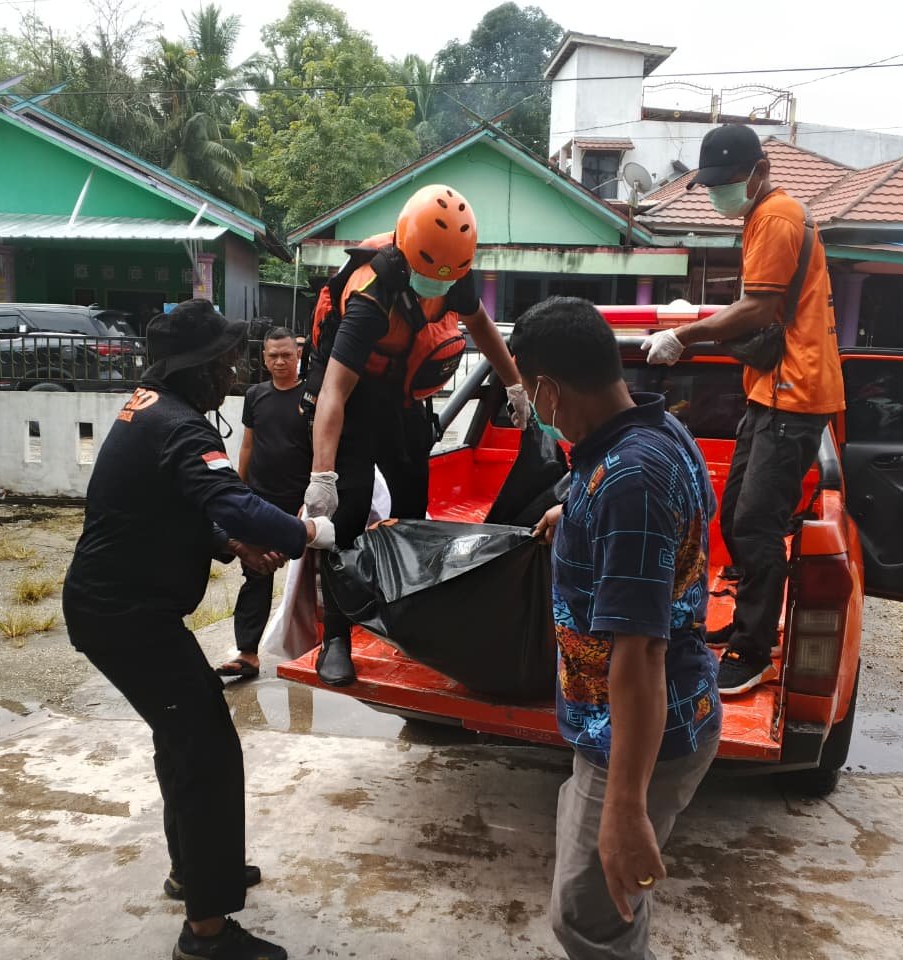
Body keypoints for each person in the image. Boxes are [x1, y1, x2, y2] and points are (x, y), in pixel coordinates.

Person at [62, 300, 336, 960]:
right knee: (207, 750)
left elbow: (176, 506)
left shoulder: (151, 409)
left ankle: (194, 871)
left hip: (118, 608)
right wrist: (307, 531)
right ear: (196, 367)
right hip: (125, 615)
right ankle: (206, 932)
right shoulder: (180, 426)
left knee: (184, 738)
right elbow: (231, 500)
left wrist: (233, 546)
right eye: (224, 361)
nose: (233, 372)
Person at [515, 297, 720, 960]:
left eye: (530, 393)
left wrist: (627, 808)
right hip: (623, 727)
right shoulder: (654, 431)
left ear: (548, 389)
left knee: (589, 920)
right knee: (605, 908)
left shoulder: (631, 481)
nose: (534, 408)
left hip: (636, 736)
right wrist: (573, 513)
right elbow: (662, 526)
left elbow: (642, 653)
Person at [640, 124, 844, 698]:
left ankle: (754, 651)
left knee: (756, 524)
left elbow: (757, 309)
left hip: (794, 395)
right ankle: (750, 624)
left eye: (725, 181)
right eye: (711, 183)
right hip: (770, 391)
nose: (717, 193)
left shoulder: (776, 217)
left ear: (759, 171)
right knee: (735, 517)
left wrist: (684, 335)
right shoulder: (761, 217)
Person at [302, 183, 530, 686]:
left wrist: (514, 384)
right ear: (406, 252)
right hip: (355, 401)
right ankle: (337, 636)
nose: (439, 285)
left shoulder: (453, 272)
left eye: (449, 276)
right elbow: (334, 391)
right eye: (430, 275)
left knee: (411, 509)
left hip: (403, 401)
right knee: (348, 512)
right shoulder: (371, 296)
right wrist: (323, 473)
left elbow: (482, 325)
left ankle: (407, 614)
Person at [216, 327, 311, 680]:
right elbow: (248, 444)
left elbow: (321, 447)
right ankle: (247, 654)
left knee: (311, 580)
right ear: (264, 358)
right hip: (259, 500)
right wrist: (239, 491)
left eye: (286, 354)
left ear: (297, 355)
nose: (280, 361)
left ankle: (316, 650)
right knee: (255, 575)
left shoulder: (312, 396)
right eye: (273, 356)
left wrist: (311, 500)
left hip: (300, 503)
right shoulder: (255, 395)